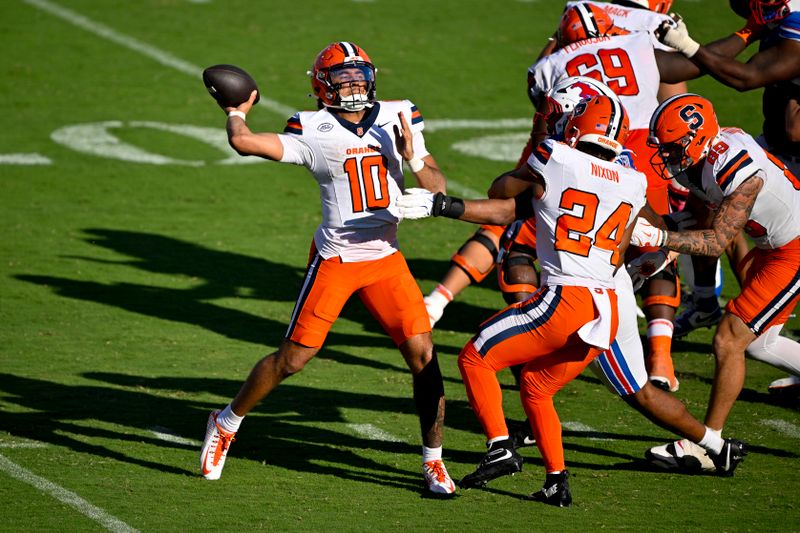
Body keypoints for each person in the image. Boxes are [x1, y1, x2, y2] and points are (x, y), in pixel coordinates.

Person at [199, 41, 457, 496]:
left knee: (424, 356)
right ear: (324, 86)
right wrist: (235, 111)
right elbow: (243, 143)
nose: (355, 86)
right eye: (344, 79)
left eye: (360, 77)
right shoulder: (311, 127)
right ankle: (225, 422)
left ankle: (433, 461)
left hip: (385, 258)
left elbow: (436, 184)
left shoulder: (400, 114)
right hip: (336, 258)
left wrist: (414, 155)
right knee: (293, 359)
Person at [400, 94, 647, 506]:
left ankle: (499, 446)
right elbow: (629, 244)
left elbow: (501, 195)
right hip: (609, 306)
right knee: (536, 386)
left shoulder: (556, 155)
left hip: (565, 297)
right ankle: (556, 481)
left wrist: (444, 204)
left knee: (475, 357)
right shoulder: (634, 181)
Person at [631, 93, 800, 471]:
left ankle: (709, 445)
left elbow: (716, 241)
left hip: (793, 248)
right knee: (760, 344)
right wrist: (662, 248)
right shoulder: (701, 160)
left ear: (696, 136)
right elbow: (698, 217)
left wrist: (660, 240)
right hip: (774, 245)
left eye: (674, 148)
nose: (668, 157)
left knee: (729, 338)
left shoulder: (735, 167)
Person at [656, 1, 800, 391]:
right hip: (780, 151)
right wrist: (747, 31)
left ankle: (713, 442)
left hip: (791, 166)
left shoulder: (796, 25)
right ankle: (706, 300)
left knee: (741, 333)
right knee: (712, 204)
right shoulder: (720, 155)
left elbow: (745, 78)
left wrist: (657, 238)